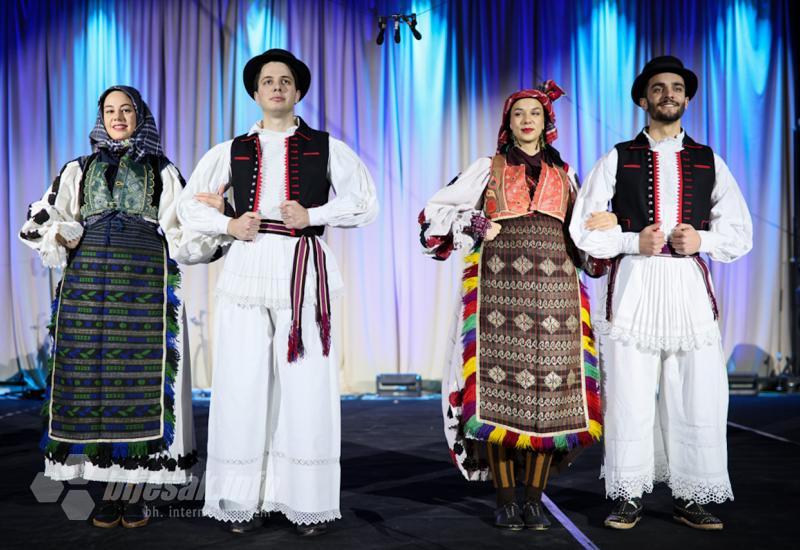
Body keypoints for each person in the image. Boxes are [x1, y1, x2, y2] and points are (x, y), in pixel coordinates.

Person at [177, 49, 378, 536]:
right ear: (255, 92)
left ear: (298, 91)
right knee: (242, 381)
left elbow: (364, 201)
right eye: (268, 81)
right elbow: (188, 205)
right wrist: (229, 221)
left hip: (302, 268)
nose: (277, 88)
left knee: (306, 384)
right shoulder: (232, 149)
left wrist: (314, 215)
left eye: (285, 80)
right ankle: (240, 499)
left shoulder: (326, 147)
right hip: (248, 267)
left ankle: (303, 501)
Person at [419, 82, 615, 530]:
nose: (527, 120)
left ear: (549, 123)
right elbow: (434, 213)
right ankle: (505, 498)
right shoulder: (488, 169)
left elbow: (586, 239)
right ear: (508, 124)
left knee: (552, 396)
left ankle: (534, 497)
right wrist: (472, 220)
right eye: (518, 114)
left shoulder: (567, 176)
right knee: (499, 393)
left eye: (536, 113)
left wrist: (603, 230)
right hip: (498, 291)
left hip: (557, 293)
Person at [569, 55, 753, 531]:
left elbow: (739, 230)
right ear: (643, 98)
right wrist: (632, 240)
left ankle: (691, 495)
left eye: (676, 87)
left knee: (697, 391)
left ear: (687, 99)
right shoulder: (618, 156)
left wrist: (703, 240)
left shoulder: (708, 159)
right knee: (629, 392)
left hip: (688, 288)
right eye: (658, 87)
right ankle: (629, 493)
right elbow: (583, 227)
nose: (668, 94)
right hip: (635, 286)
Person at [19, 85, 213, 528]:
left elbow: (183, 228)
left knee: (137, 381)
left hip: (141, 289)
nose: (118, 117)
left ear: (140, 115)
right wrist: (62, 234)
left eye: (126, 110)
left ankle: (135, 490)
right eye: (110, 110)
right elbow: (45, 217)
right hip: (87, 290)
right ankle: (106, 492)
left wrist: (217, 222)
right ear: (100, 117)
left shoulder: (162, 171)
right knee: (91, 383)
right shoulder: (78, 169)